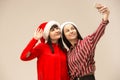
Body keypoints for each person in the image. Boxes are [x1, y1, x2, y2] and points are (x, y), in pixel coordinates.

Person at [61, 3, 110, 80]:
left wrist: (106, 15)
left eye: (72, 28)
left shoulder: (87, 41)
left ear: (76, 30)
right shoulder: (68, 54)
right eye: (67, 31)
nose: (71, 31)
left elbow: (99, 32)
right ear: (64, 36)